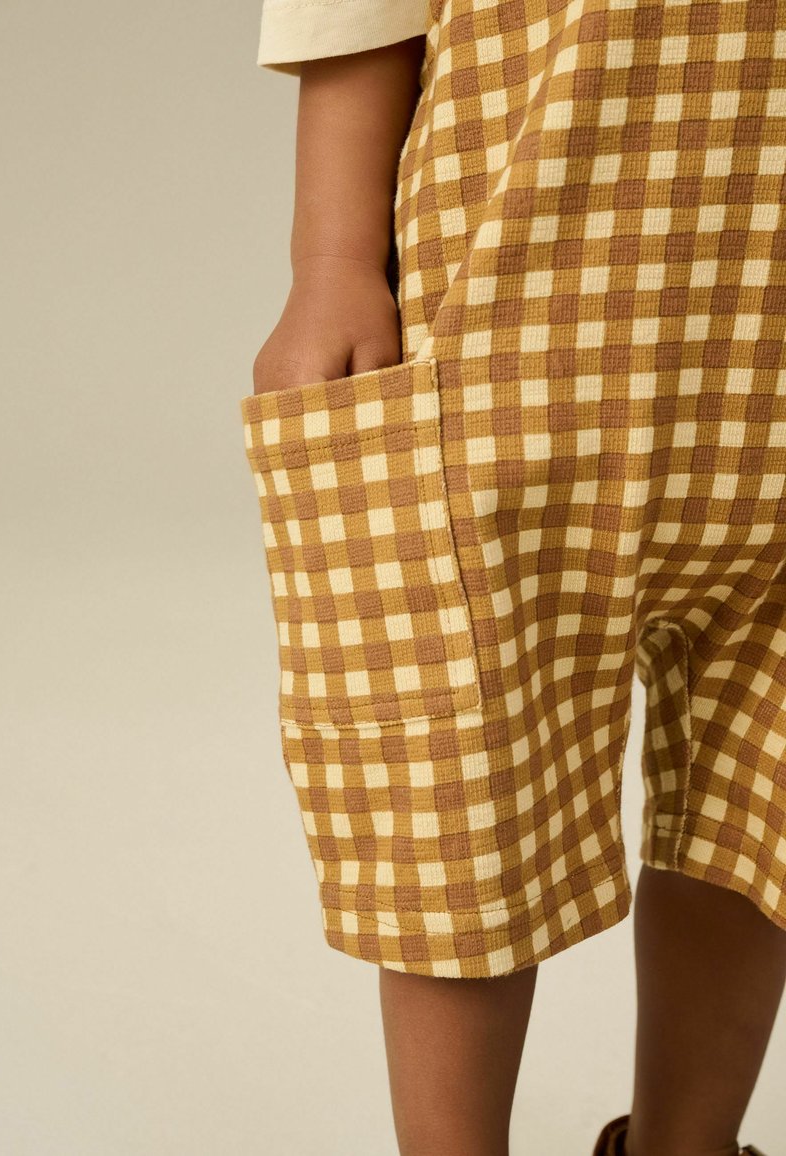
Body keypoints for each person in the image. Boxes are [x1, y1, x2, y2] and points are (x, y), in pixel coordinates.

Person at [240, 2, 786, 1153]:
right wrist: (330, 261)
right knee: (459, 805)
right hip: (508, 319)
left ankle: (685, 1144)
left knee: (761, 810)